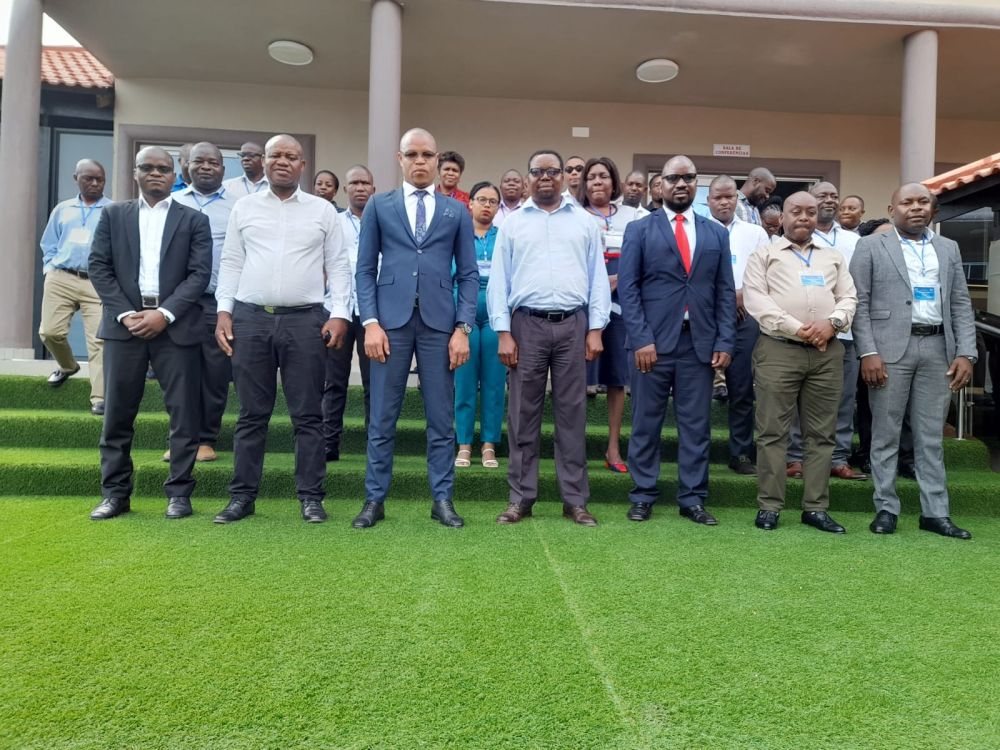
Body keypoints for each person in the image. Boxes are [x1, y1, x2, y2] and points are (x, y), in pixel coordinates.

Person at [213, 134, 352, 525]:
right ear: (264, 161)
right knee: (251, 415)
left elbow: (338, 266)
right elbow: (231, 262)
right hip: (250, 319)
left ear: (302, 165)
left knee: (308, 415)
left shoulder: (322, 211)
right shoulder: (244, 207)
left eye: (291, 156)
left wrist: (340, 313)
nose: (283, 162)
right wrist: (224, 311)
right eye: (276, 155)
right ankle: (242, 497)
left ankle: (311, 498)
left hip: (305, 321)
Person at [354, 128, 478, 529]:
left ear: (437, 159)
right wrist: (370, 323)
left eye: (427, 154)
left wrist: (462, 328)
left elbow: (469, 275)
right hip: (389, 325)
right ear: (400, 158)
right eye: (413, 154)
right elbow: (364, 270)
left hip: (440, 327)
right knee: (382, 418)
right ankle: (374, 500)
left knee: (441, 419)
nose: (420, 161)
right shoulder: (379, 205)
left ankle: (442, 499)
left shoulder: (456, 211)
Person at [87, 147, 212, 520]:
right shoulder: (113, 215)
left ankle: (179, 494)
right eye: (148, 167)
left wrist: (164, 314)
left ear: (175, 175)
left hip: (176, 327)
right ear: (135, 172)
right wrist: (127, 314)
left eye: (163, 168)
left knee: (183, 414)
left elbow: (199, 275)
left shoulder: (194, 220)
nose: (156, 173)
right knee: (117, 414)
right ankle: (115, 494)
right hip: (123, 327)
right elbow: (99, 266)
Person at [487, 149, 610, 526]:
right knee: (522, 414)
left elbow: (598, 278)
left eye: (552, 171)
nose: (545, 177)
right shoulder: (512, 224)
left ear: (564, 177)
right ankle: (520, 498)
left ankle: (574, 500)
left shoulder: (585, 222)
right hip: (526, 326)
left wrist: (595, 328)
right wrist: (503, 331)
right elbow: (498, 280)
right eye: (537, 171)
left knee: (572, 414)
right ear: (528, 178)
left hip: (574, 325)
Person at [851, 183, 977, 539]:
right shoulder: (870, 246)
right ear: (892, 210)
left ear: (933, 210)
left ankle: (935, 513)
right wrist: (868, 352)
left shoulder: (948, 248)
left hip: (938, 350)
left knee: (930, 436)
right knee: (885, 433)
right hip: (888, 352)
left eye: (924, 202)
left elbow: (960, 303)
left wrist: (966, 352)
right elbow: (859, 302)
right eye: (907, 202)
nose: (916, 208)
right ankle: (886, 508)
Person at [618, 157, 736, 524]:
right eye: (673, 178)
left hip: (698, 345)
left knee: (696, 427)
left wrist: (725, 341)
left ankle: (693, 498)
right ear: (661, 185)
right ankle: (642, 495)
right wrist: (641, 339)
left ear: (697, 183)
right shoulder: (639, 229)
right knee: (645, 423)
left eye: (688, 178)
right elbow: (628, 289)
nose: (681, 184)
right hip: (650, 345)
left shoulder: (716, 233)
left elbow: (725, 292)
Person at [742, 191, 857, 533]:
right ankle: (770, 506)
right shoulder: (764, 255)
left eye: (810, 211)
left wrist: (832, 323)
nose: (804, 217)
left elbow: (849, 297)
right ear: (783, 217)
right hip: (779, 350)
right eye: (796, 211)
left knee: (821, 434)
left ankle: (815, 508)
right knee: (772, 432)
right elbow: (756, 300)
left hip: (826, 353)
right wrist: (799, 328)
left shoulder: (833, 256)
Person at [785, 182, 868, 481]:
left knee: (843, 400)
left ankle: (838, 457)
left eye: (834, 196)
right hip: (802, 333)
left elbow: (856, 288)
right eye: (822, 196)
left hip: (843, 334)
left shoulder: (855, 240)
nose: (829, 200)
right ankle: (795, 456)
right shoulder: (792, 240)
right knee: (797, 400)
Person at [170, 142, 239, 463]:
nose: (206, 167)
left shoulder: (238, 206)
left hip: (219, 302)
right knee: (180, 372)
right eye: (199, 161)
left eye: (213, 162)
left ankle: (206, 439)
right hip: (179, 303)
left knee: (215, 372)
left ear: (223, 169)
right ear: (187, 166)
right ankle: (181, 439)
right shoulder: (172, 203)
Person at [578, 156, 647, 474]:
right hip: (582, 305)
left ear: (614, 182)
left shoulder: (634, 216)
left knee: (617, 380)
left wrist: (620, 279)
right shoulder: (573, 215)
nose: (597, 181)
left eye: (603, 176)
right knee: (576, 379)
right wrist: (595, 283)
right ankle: (575, 449)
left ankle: (613, 448)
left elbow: (646, 258)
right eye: (591, 176)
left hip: (622, 305)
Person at [706, 175, 769, 475]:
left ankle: (741, 453)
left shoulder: (755, 233)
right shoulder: (697, 228)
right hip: (705, 318)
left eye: (729, 197)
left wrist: (742, 294)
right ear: (708, 201)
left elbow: (766, 272)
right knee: (695, 388)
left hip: (744, 317)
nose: (724, 202)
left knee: (741, 388)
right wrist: (722, 298)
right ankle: (696, 451)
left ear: (737, 199)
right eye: (718, 197)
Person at [38, 158, 112, 415]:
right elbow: (49, 243)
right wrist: (50, 268)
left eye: (100, 179)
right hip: (62, 277)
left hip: (96, 281)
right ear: (76, 178)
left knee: (99, 341)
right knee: (49, 332)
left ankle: (99, 398)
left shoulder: (112, 210)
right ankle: (68, 366)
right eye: (89, 178)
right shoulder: (63, 209)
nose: (95, 183)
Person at [323, 164, 375, 461]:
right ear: (345, 189)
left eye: (364, 183)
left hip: (373, 314)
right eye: (354, 183)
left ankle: (375, 444)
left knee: (374, 383)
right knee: (334, 380)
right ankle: (328, 444)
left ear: (373, 188)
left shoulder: (383, 222)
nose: (359, 188)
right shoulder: (334, 222)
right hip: (337, 310)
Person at [454, 182, 507, 470]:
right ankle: (464, 443)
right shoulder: (458, 236)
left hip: (496, 314)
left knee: (494, 383)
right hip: (465, 313)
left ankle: (488, 444)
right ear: (470, 203)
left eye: (493, 201)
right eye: (482, 199)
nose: (487, 205)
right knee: (464, 381)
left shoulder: (505, 236)